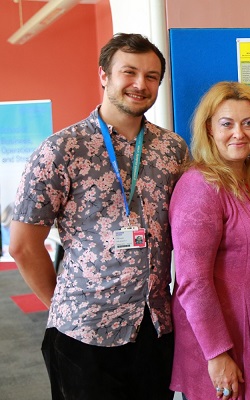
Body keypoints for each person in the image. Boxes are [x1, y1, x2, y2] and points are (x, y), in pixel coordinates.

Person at [9, 33, 188, 399]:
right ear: (104, 75)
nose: (140, 84)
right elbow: (23, 246)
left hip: (155, 328)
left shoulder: (172, 148)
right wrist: (65, 307)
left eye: (151, 76)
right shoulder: (61, 150)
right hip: (84, 333)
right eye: (129, 72)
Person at [169, 82, 250, 400]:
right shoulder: (200, 186)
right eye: (227, 124)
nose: (239, 133)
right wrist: (218, 353)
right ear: (209, 128)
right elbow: (192, 282)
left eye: (248, 123)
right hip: (225, 340)